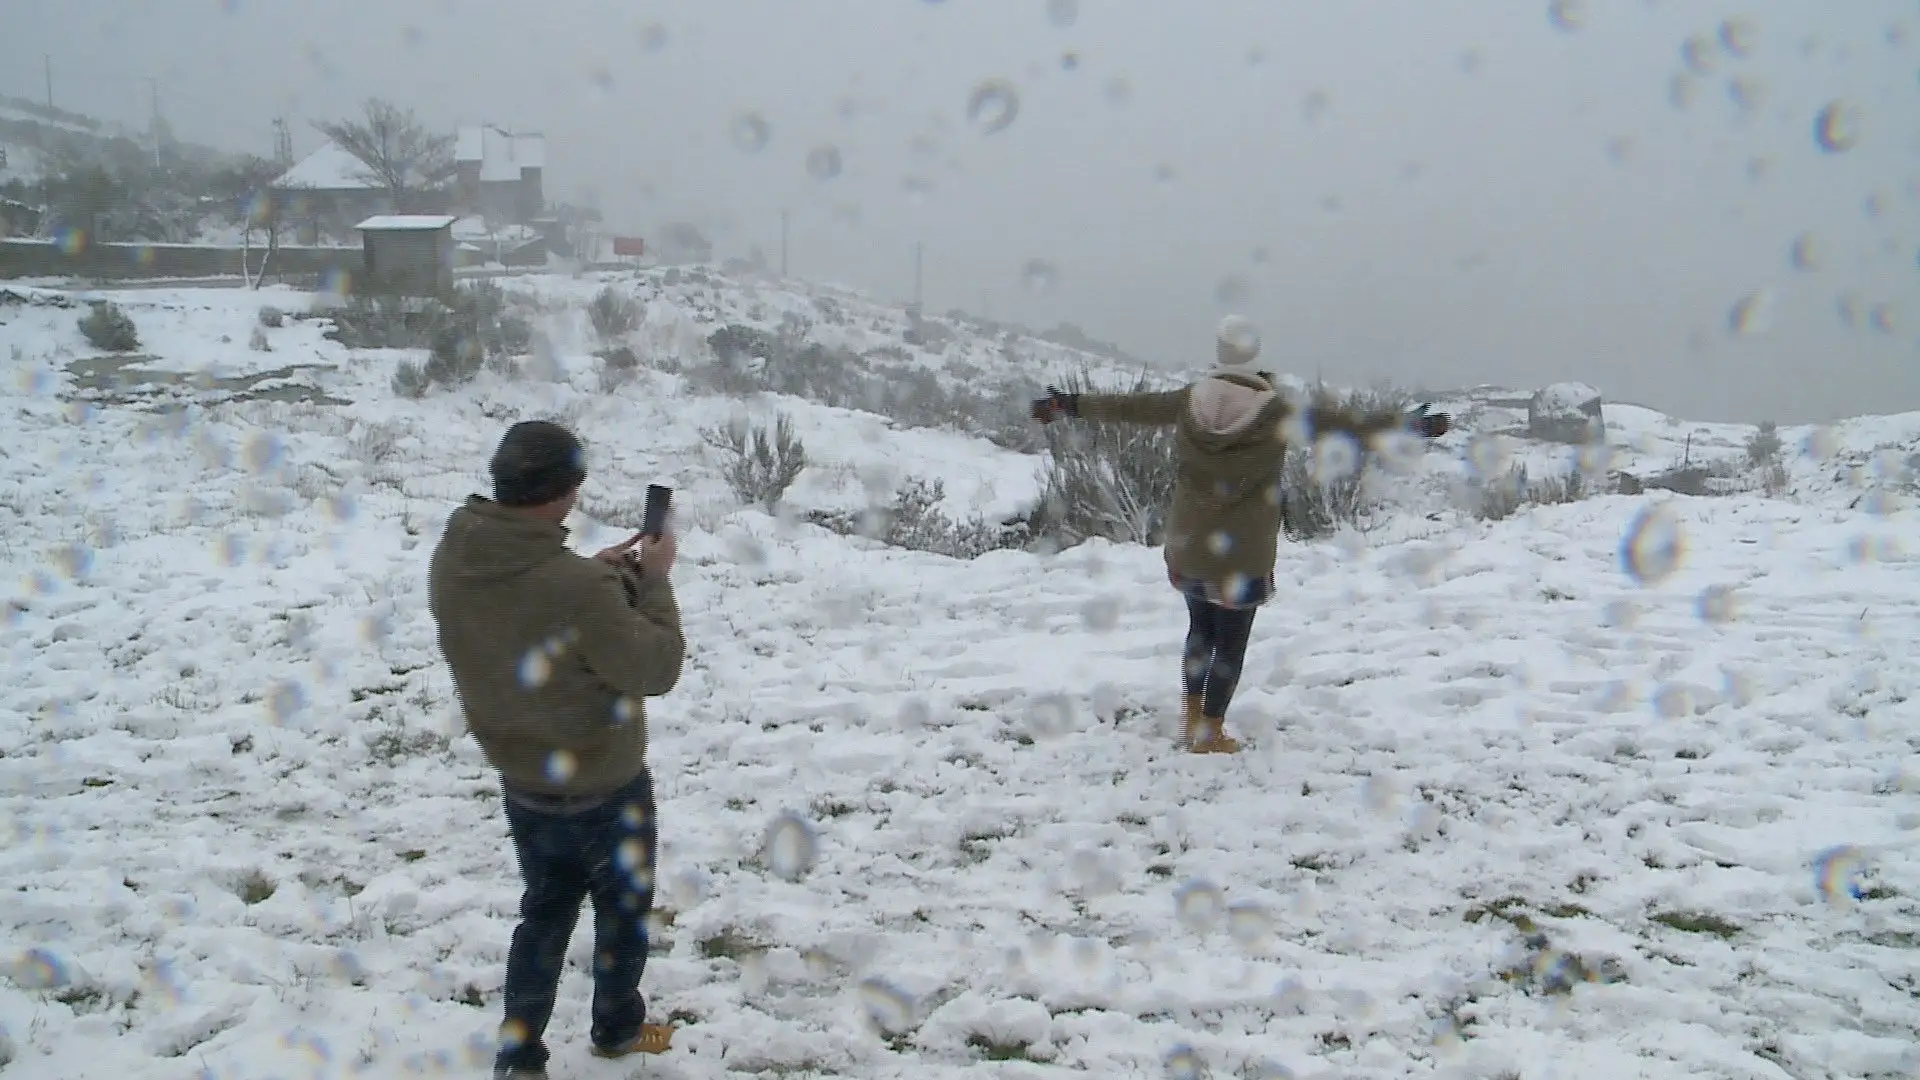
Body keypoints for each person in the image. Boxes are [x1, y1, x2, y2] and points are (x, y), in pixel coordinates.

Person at [1030, 316, 1450, 754]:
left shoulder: (1188, 401)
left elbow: (1128, 408)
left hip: (1190, 542)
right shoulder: (1277, 413)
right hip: (1244, 551)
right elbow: (1343, 424)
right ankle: (1208, 733)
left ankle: (1193, 718)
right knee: (1231, 640)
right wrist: (1406, 425)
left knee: (1200, 629)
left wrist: (1068, 404)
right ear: (1260, 365)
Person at [427, 420, 686, 1080]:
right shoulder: (576, 589)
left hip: (523, 782)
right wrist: (651, 580)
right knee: (622, 914)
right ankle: (618, 1029)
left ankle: (519, 1056)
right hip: (606, 787)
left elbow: (522, 615)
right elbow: (654, 668)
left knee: (542, 917)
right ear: (565, 491)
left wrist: (591, 579)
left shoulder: (457, 554)